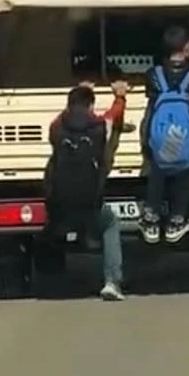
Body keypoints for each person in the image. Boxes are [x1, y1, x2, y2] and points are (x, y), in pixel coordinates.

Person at [44, 80, 129, 301]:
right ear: (91, 106)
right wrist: (120, 96)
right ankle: (112, 282)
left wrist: (82, 91)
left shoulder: (56, 128)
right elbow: (114, 115)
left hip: (59, 204)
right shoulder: (99, 127)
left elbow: (61, 118)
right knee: (110, 223)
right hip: (89, 203)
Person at [139, 25, 189, 244]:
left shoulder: (153, 75)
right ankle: (177, 218)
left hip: (158, 135)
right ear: (187, 48)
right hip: (188, 135)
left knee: (158, 167)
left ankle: (151, 216)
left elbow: (151, 103)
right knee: (186, 170)